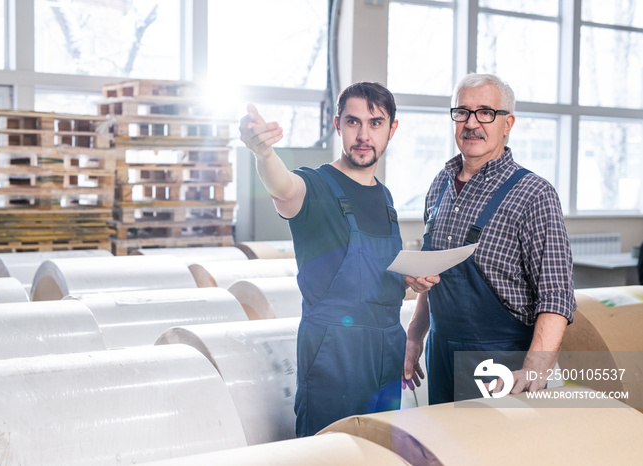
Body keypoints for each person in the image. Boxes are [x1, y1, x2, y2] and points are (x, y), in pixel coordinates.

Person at [239, 82, 428, 437]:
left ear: (392, 129)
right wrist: (263, 155)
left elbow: (375, 272)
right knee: (327, 454)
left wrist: (407, 280)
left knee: (378, 455)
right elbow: (284, 187)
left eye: (375, 123)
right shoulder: (316, 186)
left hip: (386, 352)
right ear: (338, 125)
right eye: (353, 122)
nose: (363, 134)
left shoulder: (385, 198)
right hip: (334, 355)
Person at [401, 73, 576, 404]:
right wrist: (414, 336)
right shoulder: (440, 185)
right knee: (446, 452)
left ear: (507, 123)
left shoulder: (534, 194)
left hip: (502, 362)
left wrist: (535, 371)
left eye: (485, 112)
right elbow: (432, 272)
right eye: (462, 112)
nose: (471, 123)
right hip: (441, 354)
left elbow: (556, 295)